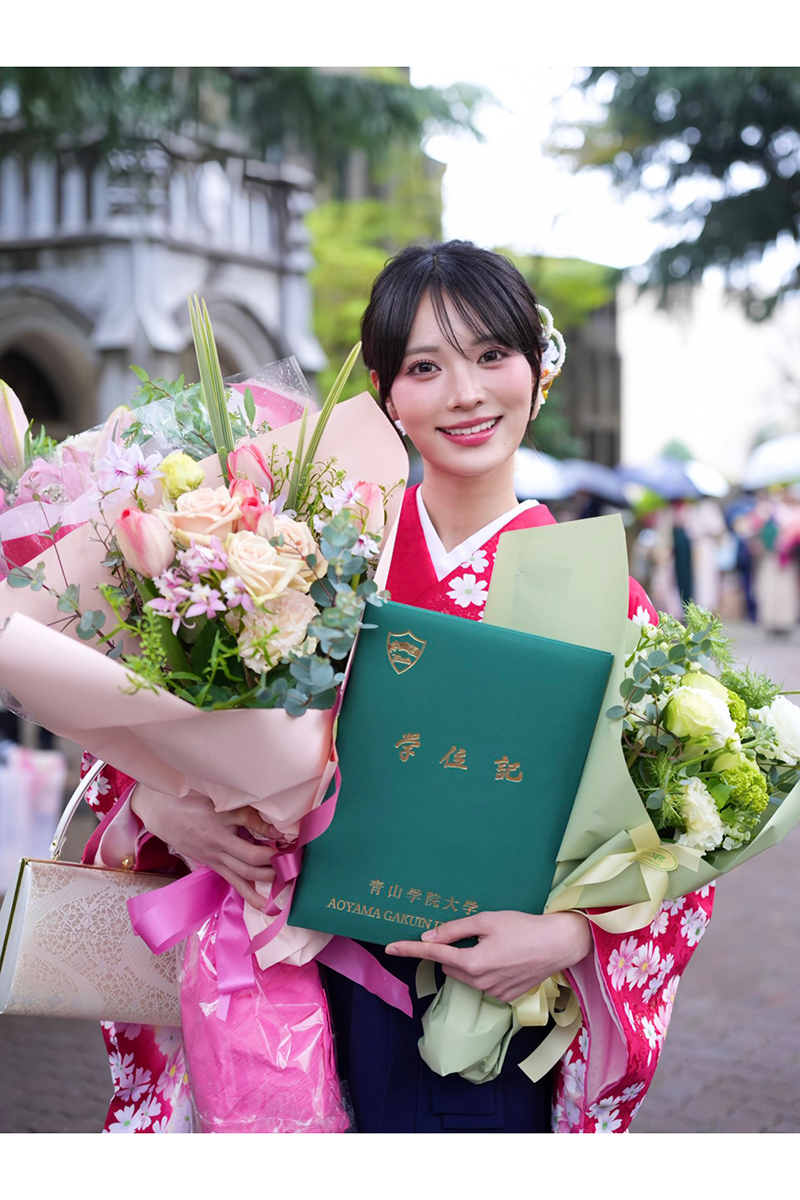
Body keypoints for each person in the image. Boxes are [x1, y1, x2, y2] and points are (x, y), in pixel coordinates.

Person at [82, 241, 715, 1134]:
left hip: (480, 1008)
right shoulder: (297, 555)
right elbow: (137, 731)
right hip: (286, 990)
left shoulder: (610, 600)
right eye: (426, 366)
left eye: (493, 355)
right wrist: (164, 807)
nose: (466, 393)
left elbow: (688, 836)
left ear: (539, 374)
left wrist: (567, 938)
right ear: (385, 394)